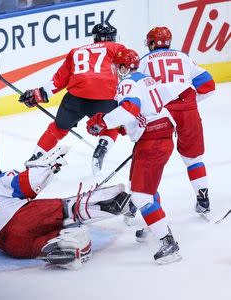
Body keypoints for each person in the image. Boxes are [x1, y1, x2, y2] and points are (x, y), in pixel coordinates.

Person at [86, 48, 185, 264]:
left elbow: (131, 107)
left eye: (116, 66)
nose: (114, 71)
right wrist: (125, 127)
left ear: (123, 67)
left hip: (153, 140)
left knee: (141, 196)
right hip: (158, 135)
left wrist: (103, 121)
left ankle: (169, 243)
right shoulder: (146, 79)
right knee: (142, 189)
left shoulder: (127, 82)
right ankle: (155, 224)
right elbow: (143, 111)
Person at [0, 145, 131, 269]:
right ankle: (112, 201)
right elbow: (27, 184)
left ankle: (69, 247)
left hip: (8, 246)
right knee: (64, 210)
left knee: (44, 243)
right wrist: (47, 169)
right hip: (19, 218)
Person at [18, 24, 125, 175]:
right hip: (104, 97)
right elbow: (129, 68)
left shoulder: (76, 51)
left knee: (58, 128)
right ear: (112, 37)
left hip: (75, 99)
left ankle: (38, 155)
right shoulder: (117, 48)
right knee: (111, 124)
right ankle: (102, 147)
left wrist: (37, 95)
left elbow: (58, 81)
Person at [137, 26, 216, 217]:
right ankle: (203, 199)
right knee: (193, 158)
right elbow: (208, 85)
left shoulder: (145, 61)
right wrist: (189, 103)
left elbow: (136, 90)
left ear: (152, 43)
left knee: (151, 160)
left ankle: (144, 204)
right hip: (188, 110)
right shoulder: (183, 57)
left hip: (161, 114)